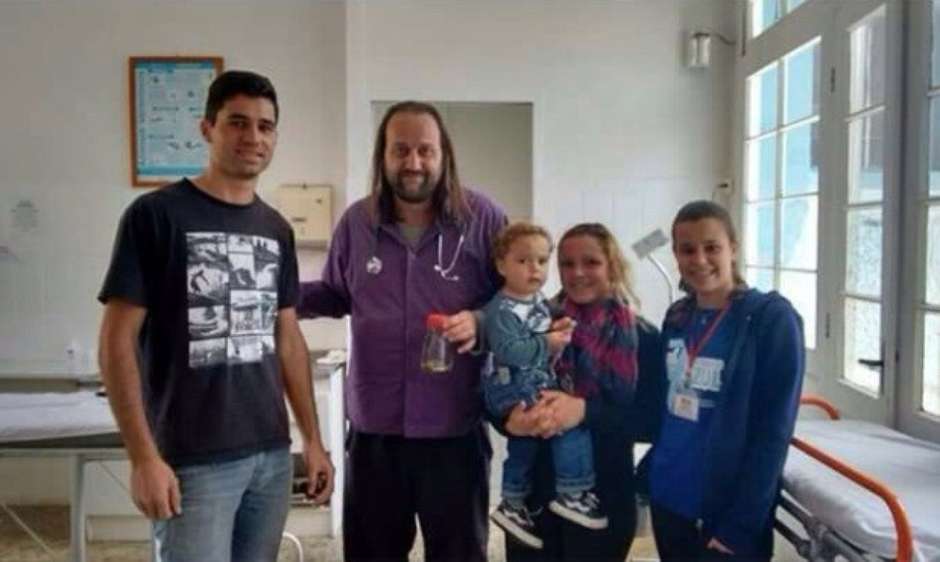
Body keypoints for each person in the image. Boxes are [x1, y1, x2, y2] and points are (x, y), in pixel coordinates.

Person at [97, 70, 334, 562]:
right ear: (207, 128)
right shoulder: (155, 216)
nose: (254, 137)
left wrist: (312, 440)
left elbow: (287, 337)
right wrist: (143, 457)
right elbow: (116, 343)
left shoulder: (276, 228)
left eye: (265, 127)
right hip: (192, 461)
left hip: (270, 456)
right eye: (238, 123)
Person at [298, 101, 507, 562]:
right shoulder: (357, 223)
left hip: (454, 430)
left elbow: (516, 301)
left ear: (444, 155)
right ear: (383, 156)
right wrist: (277, 293)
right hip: (376, 433)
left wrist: (480, 321)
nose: (413, 162)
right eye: (401, 150)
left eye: (425, 150)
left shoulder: (484, 220)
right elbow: (336, 294)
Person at [497, 222, 666, 562]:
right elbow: (496, 389)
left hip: (604, 493)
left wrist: (584, 411)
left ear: (612, 266)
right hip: (534, 494)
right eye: (567, 264)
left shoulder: (643, 337)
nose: (577, 273)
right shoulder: (532, 326)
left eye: (591, 262)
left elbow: (652, 422)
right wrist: (507, 419)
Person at [647, 200, 804, 562]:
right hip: (669, 499)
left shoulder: (770, 320)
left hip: (726, 514)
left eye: (711, 247)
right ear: (676, 255)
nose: (699, 260)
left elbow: (773, 433)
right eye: (688, 250)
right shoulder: (677, 316)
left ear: (733, 248)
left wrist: (742, 525)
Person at [482, 222, 608, 551]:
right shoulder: (502, 308)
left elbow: (541, 325)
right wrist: (547, 343)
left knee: (529, 442)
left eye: (541, 261)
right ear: (501, 265)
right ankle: (573, 491)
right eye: (523, 261)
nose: (535, 269)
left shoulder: (538, 301)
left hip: (530, 381)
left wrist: (556, 327)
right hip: (514, 385)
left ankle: (513, 500)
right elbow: (509, 351)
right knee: (559, 425)